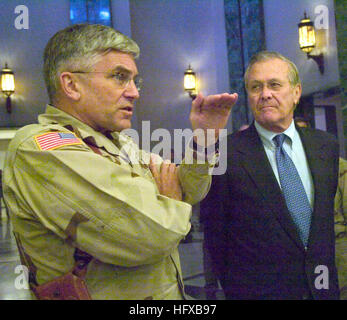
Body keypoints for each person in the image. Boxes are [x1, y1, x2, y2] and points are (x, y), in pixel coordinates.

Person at [2, 24, 238, 300]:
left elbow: (190, 190)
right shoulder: (41, 149)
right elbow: (150, 236)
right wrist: (169, 201)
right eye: (119, 77)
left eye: (134, 80)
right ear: (71, 85)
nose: (134, 93)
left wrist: (204, 139)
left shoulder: (118, 142)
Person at [204, 51, 340, 299]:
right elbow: (215, 235)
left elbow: (323, 227)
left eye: (274, 85)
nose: (265, 94)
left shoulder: (326, 146)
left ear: (296, 92)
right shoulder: (225, 154)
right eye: (256, 87)